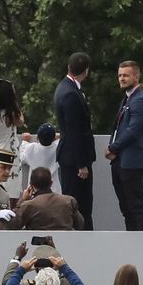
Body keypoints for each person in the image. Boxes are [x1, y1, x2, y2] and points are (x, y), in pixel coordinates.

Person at [107, 61, 143, 232]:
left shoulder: (140, 100)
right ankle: (131, 241)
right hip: (120, 161)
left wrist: (113, 148)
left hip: (131, 161)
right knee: (126, 208)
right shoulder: (128, 98)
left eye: (126, 75)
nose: (122, 78)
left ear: (136, 76)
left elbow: (133, 130)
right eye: (119, 75)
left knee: (135, 206)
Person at [52, 55, 96, 231]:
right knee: (81, 206)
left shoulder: (64, 88)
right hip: (74, 160)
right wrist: (82, 164)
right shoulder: (71, 93)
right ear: (86, 71)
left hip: (69, 156)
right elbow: (75, 131)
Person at [13, 168, 79, 230]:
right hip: (65, 241)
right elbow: (80, 224)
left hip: (38, 241)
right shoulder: (69, 201)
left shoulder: (28, 205)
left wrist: (22, 200)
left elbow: (13, 225)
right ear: (51, 183)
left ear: (31, 186)